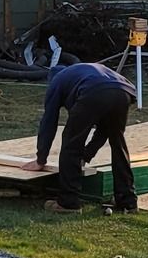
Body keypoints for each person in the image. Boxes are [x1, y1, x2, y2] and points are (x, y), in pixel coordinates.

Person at [33, 59, 137, 213]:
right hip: (123, 90)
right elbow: (104, 131)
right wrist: (86, 156)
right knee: (117, 142)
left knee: (71, 143)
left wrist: (41, 159)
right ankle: (127, 201)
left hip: (94, 90)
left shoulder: (57, 81)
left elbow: (49, 121)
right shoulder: (80, 73)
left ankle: (68, 202)